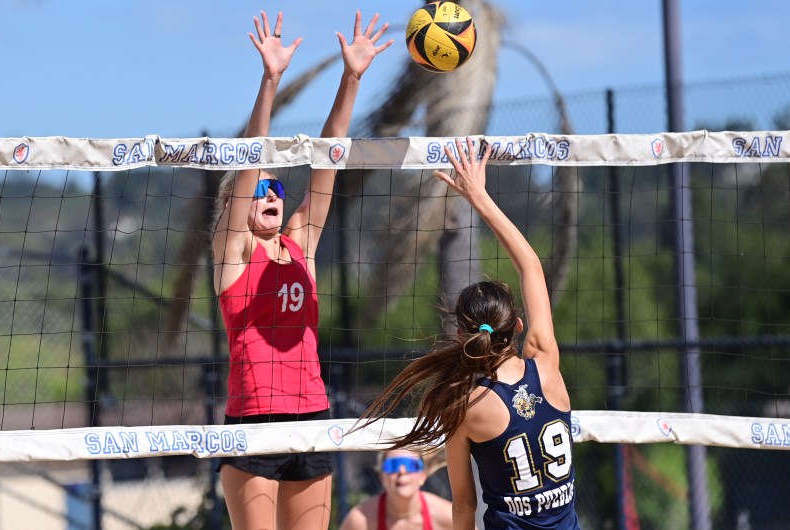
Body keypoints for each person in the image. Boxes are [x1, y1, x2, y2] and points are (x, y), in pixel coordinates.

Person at [211, 10, 392, 530]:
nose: (269, 194)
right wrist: (271, 80)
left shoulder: (300, 245)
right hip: (253, 420)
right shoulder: (233, 254)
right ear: (237, 202)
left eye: (277, 188)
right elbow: (249, 160)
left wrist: (351, 78)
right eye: (259, 190)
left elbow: (328, 159)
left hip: (311, 413)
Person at [359, 138, 579, 530]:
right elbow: (531, 266)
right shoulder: (546, 365)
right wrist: (480, 197)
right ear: (519, 328)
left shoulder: (462, 407)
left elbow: (464, 508)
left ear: (462, 334)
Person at [339, 449, 459, 530]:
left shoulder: (448, 517)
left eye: (411, 465)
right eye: (393, 465)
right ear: (382, 477)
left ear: (423, 475)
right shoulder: (361, 520)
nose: (402, 472)